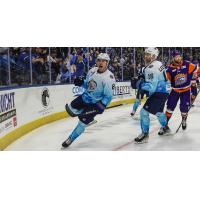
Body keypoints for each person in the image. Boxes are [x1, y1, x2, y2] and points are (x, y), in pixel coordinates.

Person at [62, 53, 116, 148]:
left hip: (94, 104)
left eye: (103, 61)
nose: (101, 62)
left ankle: (71, 138)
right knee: (70, 109)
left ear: (107, 63)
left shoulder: (109, 78)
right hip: (85, 97)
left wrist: (102, 105)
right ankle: (89, 119)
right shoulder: (92, 71)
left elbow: (108, 96)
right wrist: (82, 83)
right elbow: (88, 84)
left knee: (82, 123)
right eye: (99, 60)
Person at [134, 48, 171, 143]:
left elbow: (151, 87)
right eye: (145, 54)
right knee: (158, 112)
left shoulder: (151, 68)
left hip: (159, 92)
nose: (145, 56)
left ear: (154, 56)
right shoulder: (157, 63)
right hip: (164, 91)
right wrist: (143, 77)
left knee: (143, 112)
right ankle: (165, 127)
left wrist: (139, 84)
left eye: (148, 54)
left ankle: (145, 134)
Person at [161, 50, 197, 134]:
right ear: (173, 58)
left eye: (179, 56)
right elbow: (166, 80)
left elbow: (196, 70)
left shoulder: (187, 64)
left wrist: (194, 82)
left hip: (186, 90)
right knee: (170, 108)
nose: (178, 58)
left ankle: (184, 120)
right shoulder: (169, 69)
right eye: (176, 57)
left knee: (184, 108)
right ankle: (164, 125)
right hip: (175, 91)